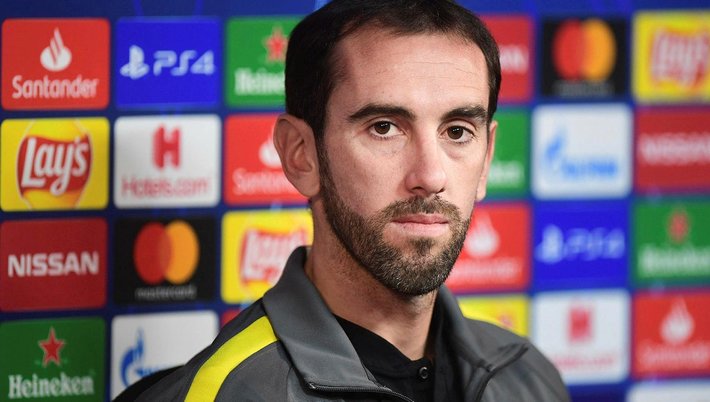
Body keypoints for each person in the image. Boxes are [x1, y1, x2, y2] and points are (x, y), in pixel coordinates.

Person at [127, 0, 570, 400]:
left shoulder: (530, 380)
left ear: (486, 160)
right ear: (301, 155)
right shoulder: (223, 393)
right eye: (384, 128)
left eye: (457, 131)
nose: (431, 177)